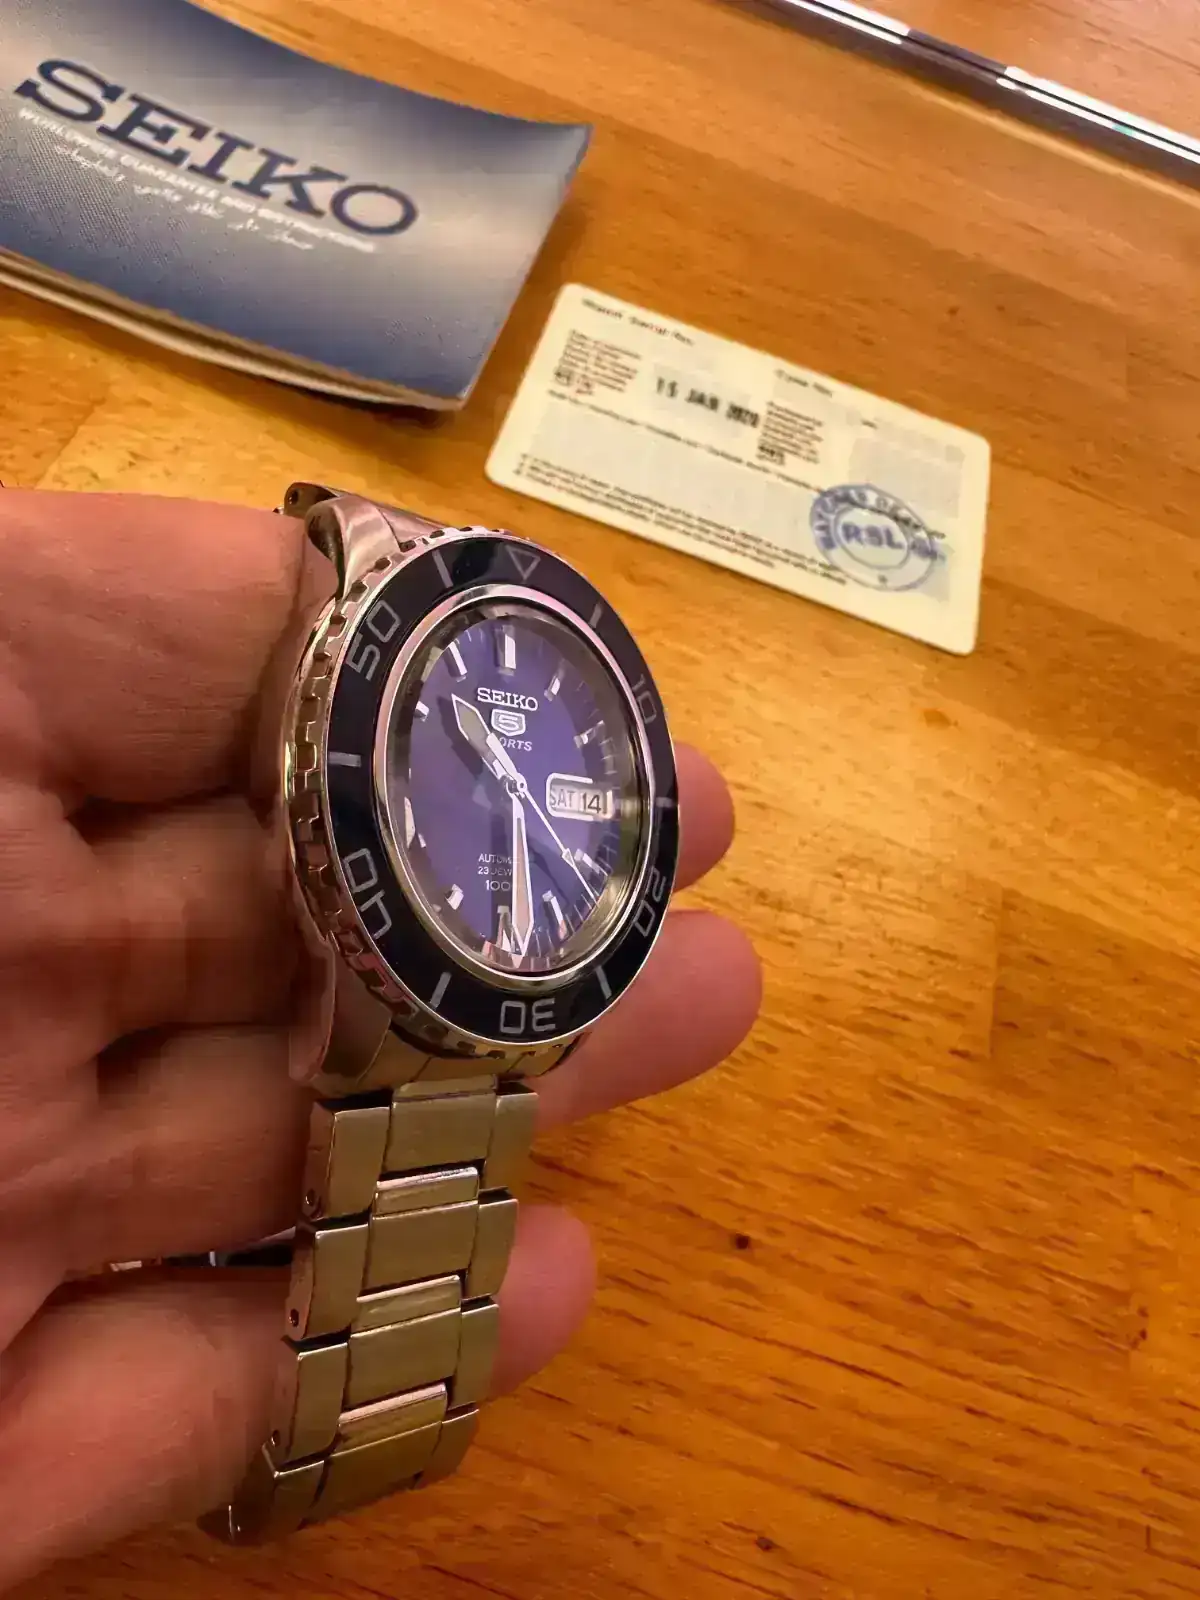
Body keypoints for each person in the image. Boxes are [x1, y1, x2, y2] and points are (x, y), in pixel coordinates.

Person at [0, 488, 761, 1587]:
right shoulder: (338, 606)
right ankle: (323, 1430)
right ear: (302, 795)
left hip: (515, 992)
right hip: (384, 999)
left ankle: (347, 1422)